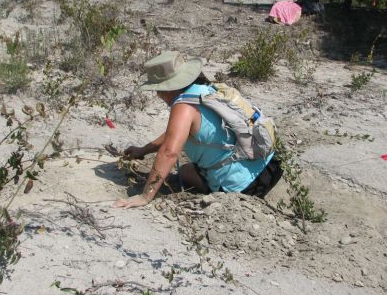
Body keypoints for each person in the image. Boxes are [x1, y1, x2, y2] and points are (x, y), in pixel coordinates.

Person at [113, 51, 282, 209]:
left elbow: (169, 153)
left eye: (158, 89)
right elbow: (176, 134)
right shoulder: (206, 90)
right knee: (186, 170)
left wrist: (145, 197)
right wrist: (144, 150)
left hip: (242, 187)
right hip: (269, 168)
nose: (158, 94)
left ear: (169, 87)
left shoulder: (184, 106)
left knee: (185, 172)